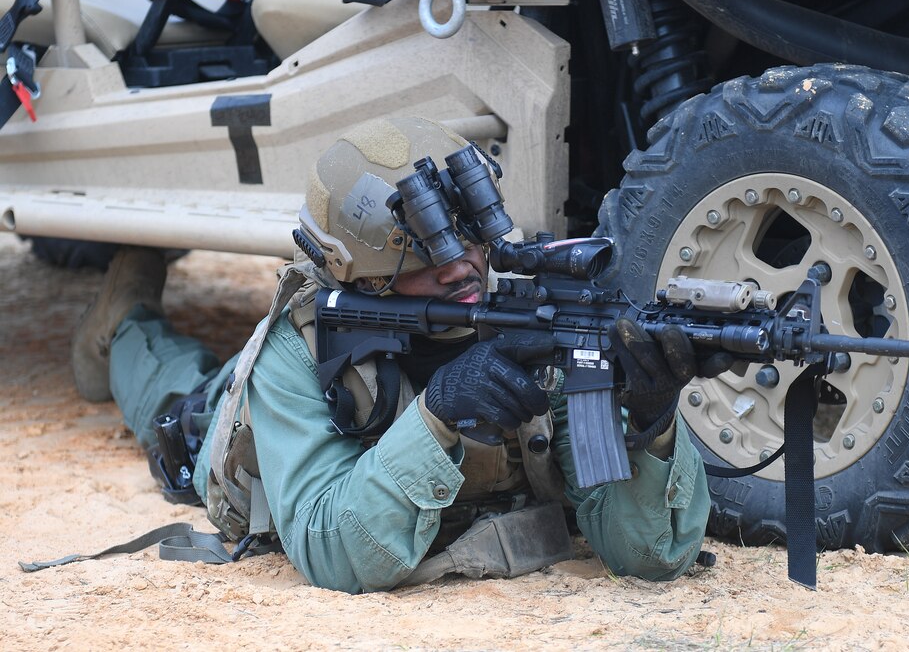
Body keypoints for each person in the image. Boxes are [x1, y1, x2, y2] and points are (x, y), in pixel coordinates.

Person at [69, 116, 713, 593]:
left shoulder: (530, 317)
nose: (462, 267)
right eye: (427, 261)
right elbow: (330, 552)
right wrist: (438, 414)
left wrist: (652, 426)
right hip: (228, 423)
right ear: (366, 280)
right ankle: (122, 317)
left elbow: (648, 555)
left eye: (469, 241)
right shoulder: (301, 350)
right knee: (181, 403)